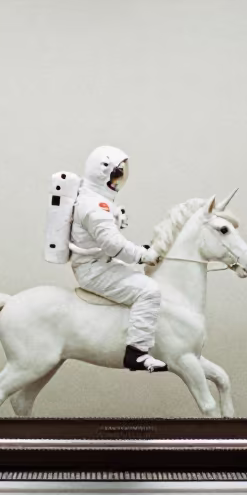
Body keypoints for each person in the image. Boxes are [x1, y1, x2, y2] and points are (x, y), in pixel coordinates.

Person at [70, 146, 166, 373]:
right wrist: (143, 255)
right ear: (103, 175)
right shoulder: (95, 206)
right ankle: (137, 352)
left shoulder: (92, 198)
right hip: (94, 269)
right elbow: (113, 244)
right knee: (149, 291)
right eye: (117, 174)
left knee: (140, 278)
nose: (121, 179)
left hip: (99, 262)